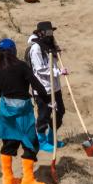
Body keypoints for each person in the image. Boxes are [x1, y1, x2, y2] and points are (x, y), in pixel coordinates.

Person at [0, 38, 49, 184]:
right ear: (14, 51)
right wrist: (47, 98)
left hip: (6, 110)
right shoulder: (22, 66)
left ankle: (8, 179)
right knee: (30, 143)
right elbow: (36, 85)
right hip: (23, 111)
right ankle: (28, 181)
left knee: (9, 143)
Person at [26, 21, 65, 153]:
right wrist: (58, 72)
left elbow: (55, 60)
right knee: (44, 115)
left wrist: (57, 50)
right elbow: (40, 69)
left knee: (60, 111)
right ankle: (41, 141)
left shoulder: (50, 45)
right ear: (40, 33)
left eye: (51, 31)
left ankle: (51, 137)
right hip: (42, 88)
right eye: (48, 32)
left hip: (55, 86)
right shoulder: (36, 48)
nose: (50, 34)